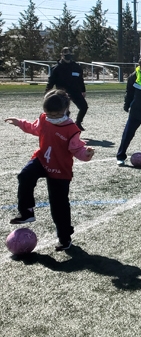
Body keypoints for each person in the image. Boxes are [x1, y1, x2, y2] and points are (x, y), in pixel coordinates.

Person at [5, 90, 94, 251]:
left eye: (56, 114)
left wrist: (86, 154)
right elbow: (34, 128)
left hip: (60, 168)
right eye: (49, 114)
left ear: (66, 109)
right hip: (41, 160)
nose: (52, 117)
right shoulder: (44, 118)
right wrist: (20, 122)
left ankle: (64, 238)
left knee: (58, 205)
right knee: (24, 175)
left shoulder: (72, 129)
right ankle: (26, 211)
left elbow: (77, 149)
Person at [45, 47, 88, 131]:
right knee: (65, 112)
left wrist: (83, 90)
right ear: (61, 55)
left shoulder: (76, 67)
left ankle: (78, 123)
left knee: (84, 107)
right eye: (65, 54)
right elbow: (50, 82)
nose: (67, 56)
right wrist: (47, 93)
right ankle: (64, 128)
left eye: (69, 54)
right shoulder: (56, 68)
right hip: (62, 93)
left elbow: (80, 80)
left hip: (75, 91)